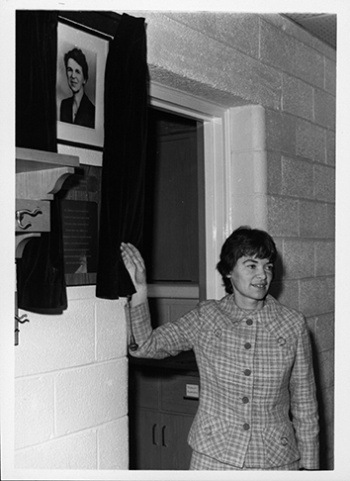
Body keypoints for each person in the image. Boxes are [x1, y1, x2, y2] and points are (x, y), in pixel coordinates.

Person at [121, 226, 319, 471]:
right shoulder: (207, 317)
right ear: (228, 271)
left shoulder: (292, 323)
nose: (263, 275)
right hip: (214, 457)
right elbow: (146, 346)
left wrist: (310, 469)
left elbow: (305, 403)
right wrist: (140, 291)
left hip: (275, 460)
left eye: (268, 266)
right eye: (251, 265)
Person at [60, 47, 95, 128]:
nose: (73, 76)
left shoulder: (92, 111)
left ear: (84, 79)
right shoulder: (64, 105)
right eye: (69, 70)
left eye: (77, 71)